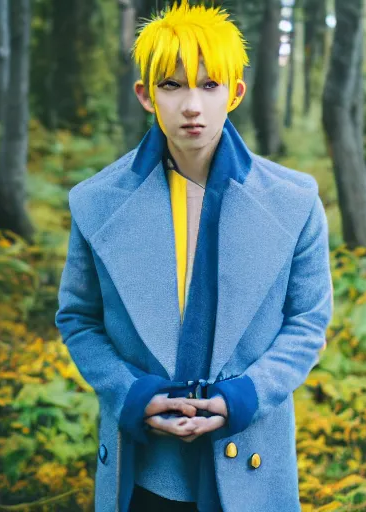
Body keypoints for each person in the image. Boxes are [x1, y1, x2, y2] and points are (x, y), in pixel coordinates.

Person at [55, 1, 333, 511]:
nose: (191, 106)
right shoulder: (96, 202)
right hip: (143, 470)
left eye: (209, 85)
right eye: (172, 85)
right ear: (145, 95)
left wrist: (246, 395)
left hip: (251, 456)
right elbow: (78, 318)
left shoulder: (294, 202)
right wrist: (130, 393)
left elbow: (308, 320)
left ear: (235, 94)